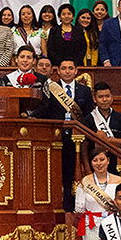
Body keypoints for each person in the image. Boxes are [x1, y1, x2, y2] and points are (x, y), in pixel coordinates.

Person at [31, 58, 93, 210]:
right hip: (55, 139)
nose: (67, 71)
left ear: (76, 71)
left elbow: (88, 115)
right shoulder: (51, 87)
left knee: (71, 175)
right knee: (54, 175)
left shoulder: (84, 91)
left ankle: (70, 207)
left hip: (77, 141)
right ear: (57, 71)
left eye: (70, 68)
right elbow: (44, 109)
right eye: (64, 68)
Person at [81, 81, 121, 174]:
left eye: (107, 96)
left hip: (117, 165)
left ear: (112, 97)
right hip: (95, 166)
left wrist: (107, 140)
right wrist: (87, 168)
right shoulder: (88, 119)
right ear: (94, 99)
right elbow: (84, 146)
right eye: (101, 97)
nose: (104, 99)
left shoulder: (120, 118)